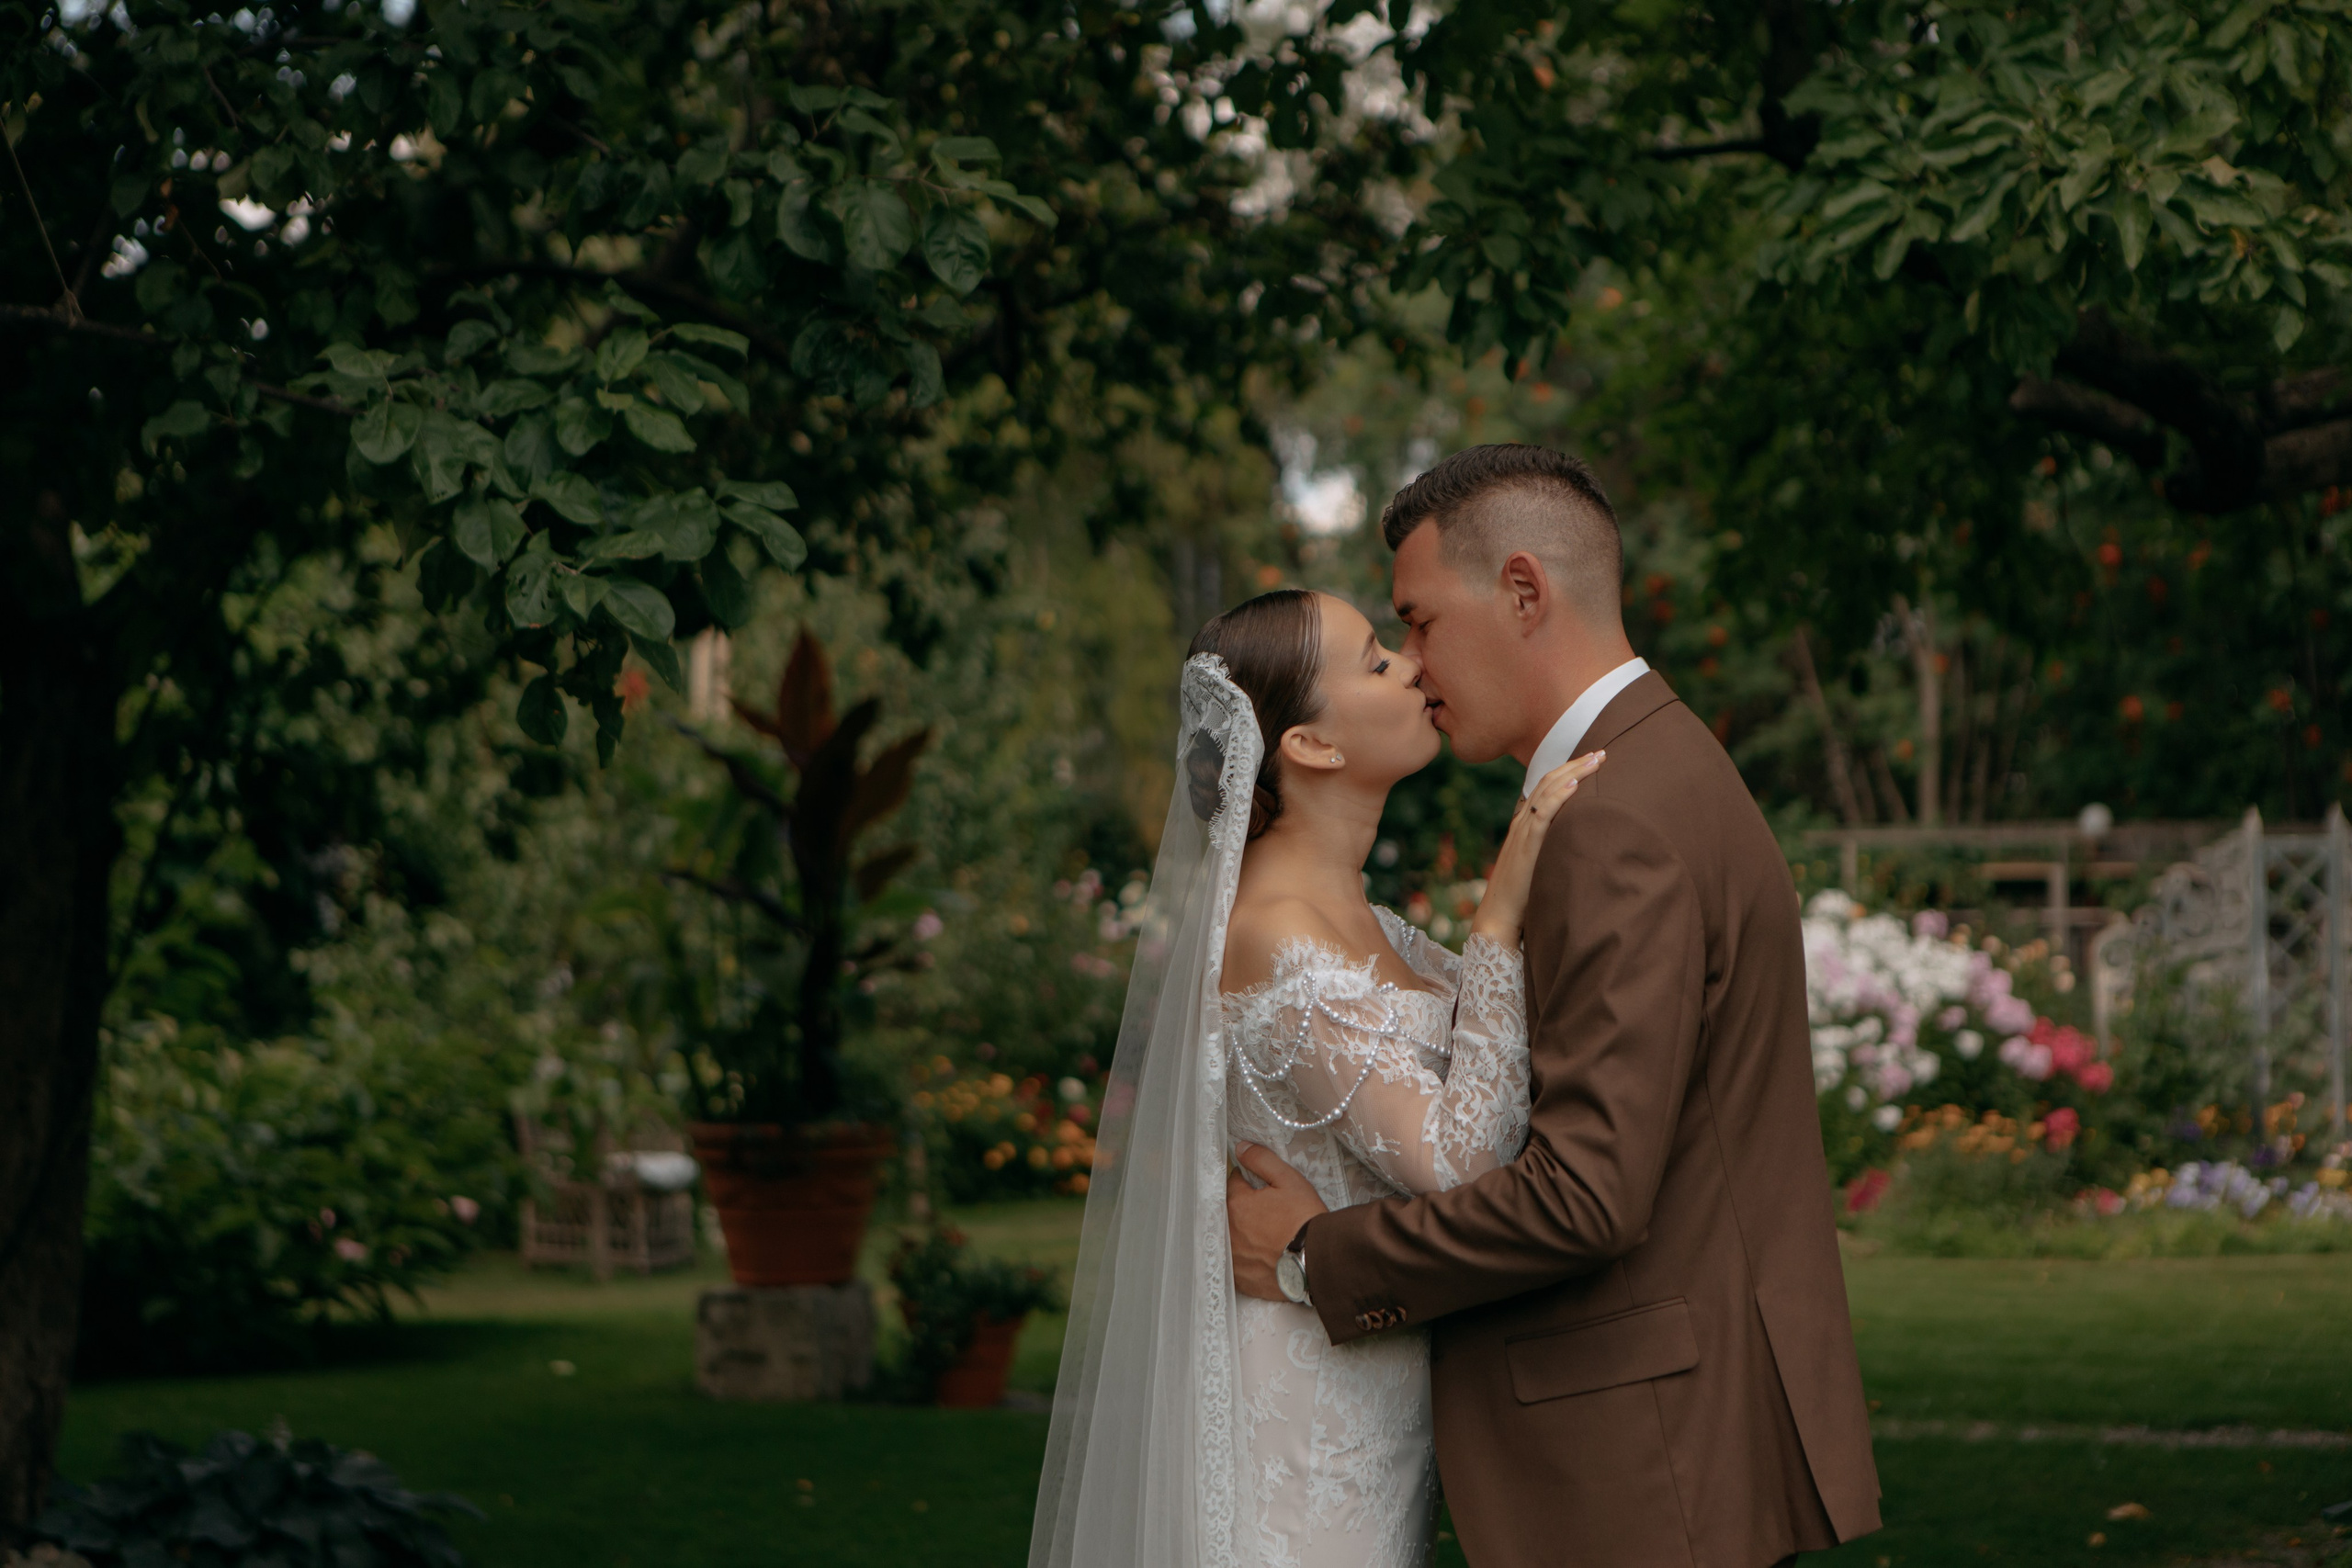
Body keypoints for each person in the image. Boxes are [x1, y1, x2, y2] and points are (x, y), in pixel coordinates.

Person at [1226, 445, 1882, 1567]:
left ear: (1522, 591)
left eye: (1419, 624)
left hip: (1640, 1451)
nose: (1416, 667)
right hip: (1656, 1433)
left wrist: (1310, 1258)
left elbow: (1584, 1196)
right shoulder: (1648, 770)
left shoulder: (1614, 817)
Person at [1029, 584, 1595, 1568]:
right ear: (1313, 747)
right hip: (1301, 1427)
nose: (1415, 666)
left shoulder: (1372, 928)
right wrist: (1500, 919)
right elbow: (1459, 1163)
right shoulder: (1278, 938)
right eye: (1377, 662)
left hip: (1368, 1395)